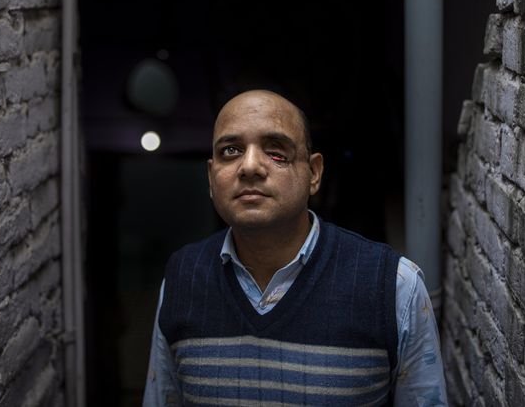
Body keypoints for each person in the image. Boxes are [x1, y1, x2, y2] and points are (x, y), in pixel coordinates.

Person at [143, 89, 447, 406]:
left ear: (313, 173)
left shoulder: (394, 286)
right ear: (211, 177)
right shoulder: (182, 280)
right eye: (230, 151)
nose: (249, 166)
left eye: (276, 151)